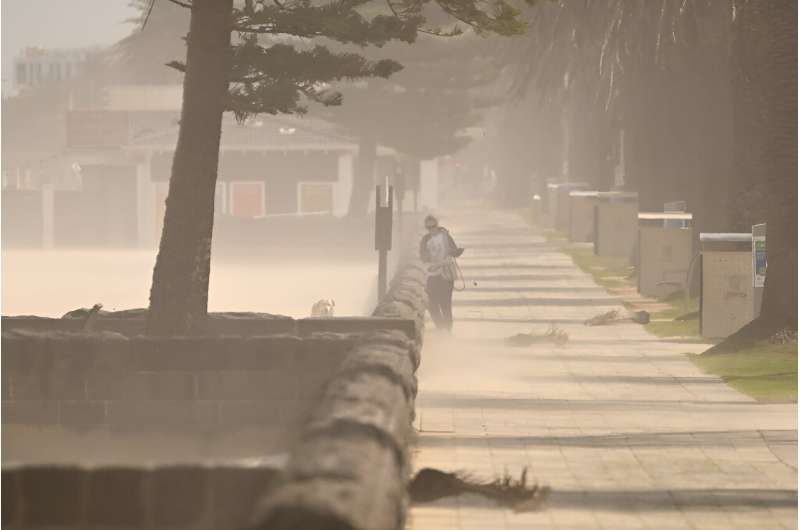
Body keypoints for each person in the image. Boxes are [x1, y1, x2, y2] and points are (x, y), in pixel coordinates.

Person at [419, 215, 463, 331]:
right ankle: (441, 327)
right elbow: (423, 256)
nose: (431, 229)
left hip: (445, 274)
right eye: (428, 227)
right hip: (432, 275)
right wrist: (429, 258)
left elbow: (453, 250)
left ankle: (447, 332)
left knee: (445, 305)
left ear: (437, 225)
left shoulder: (445, 236)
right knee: (431, 305)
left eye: (433, 226)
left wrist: (457, 252)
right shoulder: (425, 239)